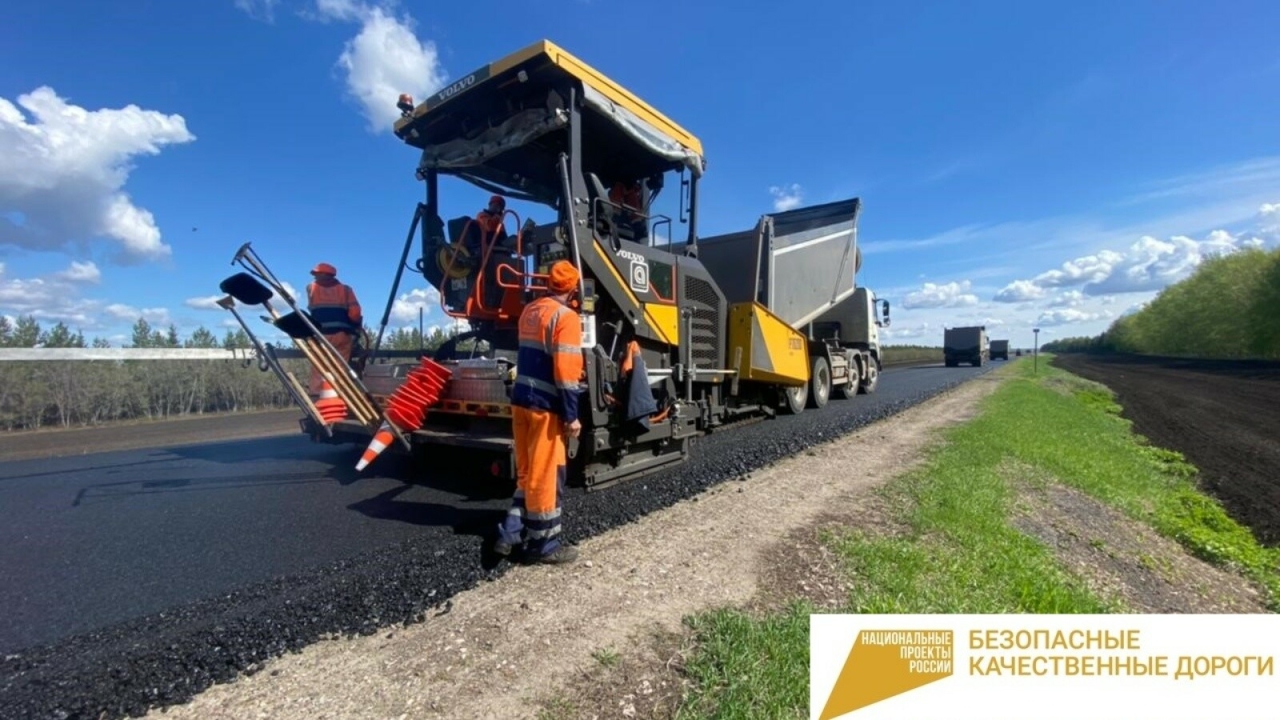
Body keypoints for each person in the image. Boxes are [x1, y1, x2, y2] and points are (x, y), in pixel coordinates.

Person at [495, 260, 585, 564]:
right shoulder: (566, 317)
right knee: (547, 476)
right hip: (545, 407)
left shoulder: (530, 311)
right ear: (573, 288)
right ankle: (543, 546)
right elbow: (566, 372)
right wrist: (572, 416)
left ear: (548, 284)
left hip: (521, 401)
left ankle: (509, 534)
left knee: (527, 472)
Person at [305, 262, 363, 396]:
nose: (315, 277)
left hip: (319, 336)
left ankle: (316, 397)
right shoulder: (346, 290)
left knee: (319, 366)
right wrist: (354, 326)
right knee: (340, 367)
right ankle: (337, 397)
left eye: (317, 274)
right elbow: (355, 313)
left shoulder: (310, 288)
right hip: (341, 334)